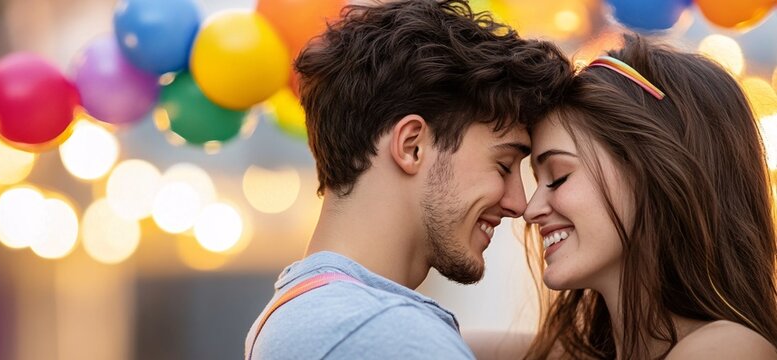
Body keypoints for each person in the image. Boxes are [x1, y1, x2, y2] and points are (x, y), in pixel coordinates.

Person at [243, 0, 571, 358]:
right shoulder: (388, 333)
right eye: (504, 165)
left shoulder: (304, 315)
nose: (518, 204)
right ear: (412, 146)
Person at [472, 34, 777, 359]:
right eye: (537, 180)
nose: (529, 210)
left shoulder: (728, 349)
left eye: (559, 177)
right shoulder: (571, 352)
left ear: (653, 173)